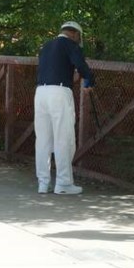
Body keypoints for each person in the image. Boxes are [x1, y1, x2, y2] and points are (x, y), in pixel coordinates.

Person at [34, 21, 94, 195]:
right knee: (63, 138)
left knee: (43, 140)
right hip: (59, 92)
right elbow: (81, 65)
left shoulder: (46, 45)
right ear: (75, 34)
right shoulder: (70, 44)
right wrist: (90, 80)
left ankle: (43, 183)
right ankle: (63, 183)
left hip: (41, 92)